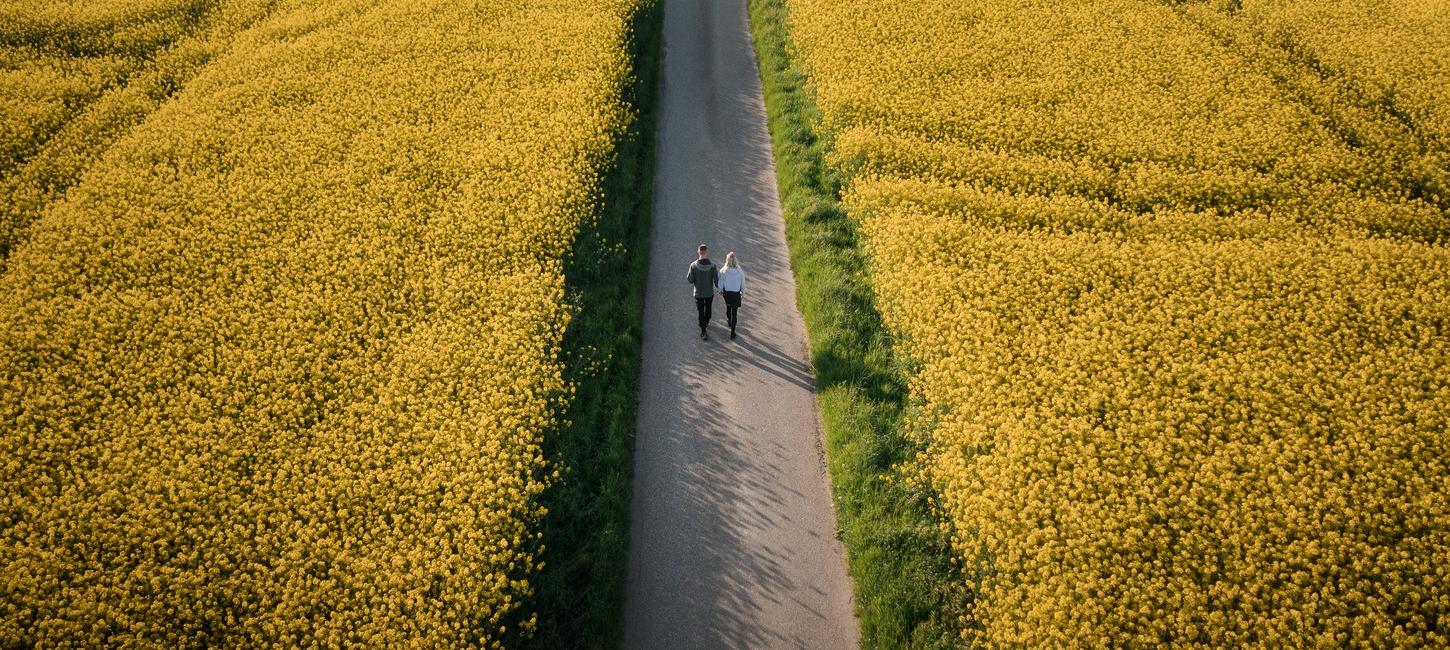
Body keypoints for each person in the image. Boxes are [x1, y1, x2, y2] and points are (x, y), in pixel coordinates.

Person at [686, 243, 719, 340]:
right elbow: (716, 281)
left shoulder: (693, 265)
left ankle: (703, 332)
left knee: (700, 312)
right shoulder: (713, 266)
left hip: (698, 293)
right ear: (706, 252)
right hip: (709, 293)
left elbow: (690, 280)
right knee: (708, 309)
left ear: (698, 252)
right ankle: (707, 321)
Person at [717, 252, 745, 339]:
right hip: (736, 294)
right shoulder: (740, 271)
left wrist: (720, 290)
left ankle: (729, 320)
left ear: (727, 260)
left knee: (728, 307)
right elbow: (743, 283)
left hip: (727, 294)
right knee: (735, 313)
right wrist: (743, 292)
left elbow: (720, 284)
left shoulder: (723, 271)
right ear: (735, 260)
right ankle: (732, 333)